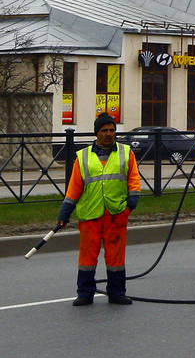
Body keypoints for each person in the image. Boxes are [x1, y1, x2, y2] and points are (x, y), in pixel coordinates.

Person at [56, 113, 141, 306]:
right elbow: (74, 189)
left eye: (112, 130)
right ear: (97, 133)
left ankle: (117, 292)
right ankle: (85, 293)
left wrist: (130, 206)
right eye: (104, 130)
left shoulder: (126, 153)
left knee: (116, 256)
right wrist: (64, 214)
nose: (109, 134)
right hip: (90, 215)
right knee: (87, 256)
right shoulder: (83, 157)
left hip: (116, 214)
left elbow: (134, 181)